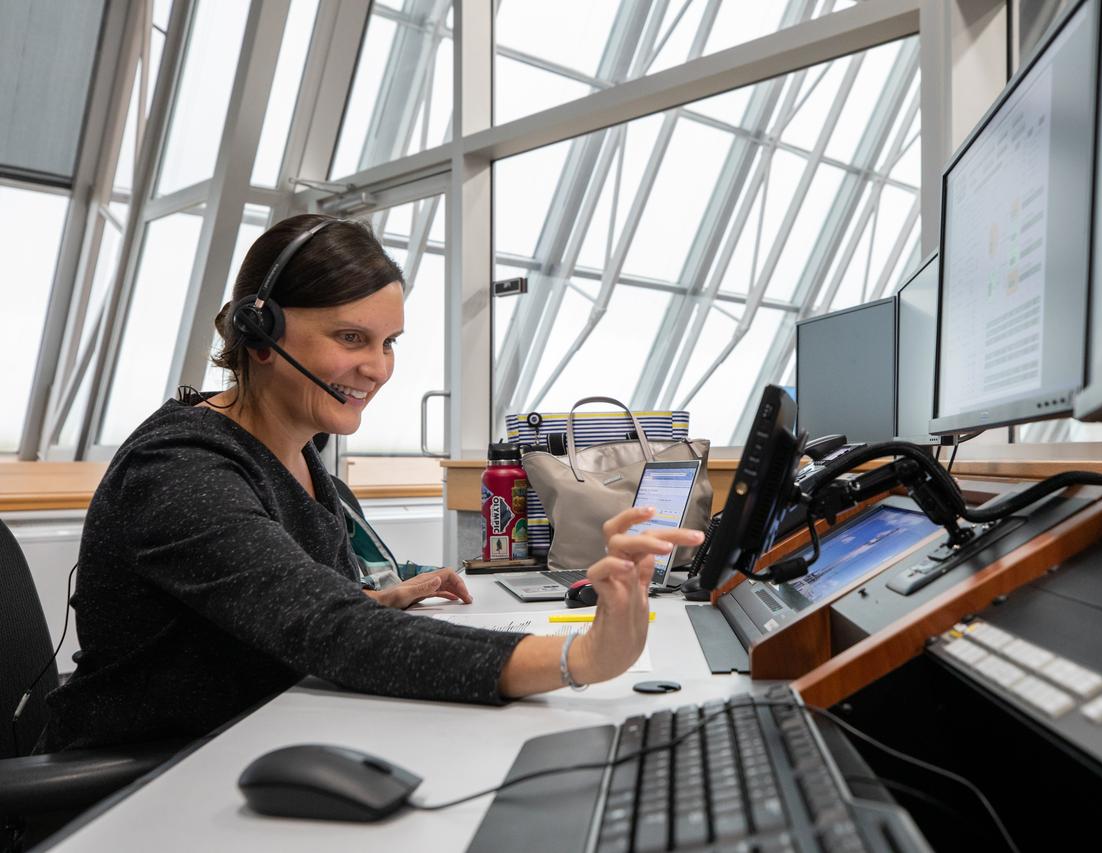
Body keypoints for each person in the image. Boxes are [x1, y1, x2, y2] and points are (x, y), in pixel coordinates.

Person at [41, 215, 702, 751]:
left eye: (389, 342)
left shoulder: (298, 450)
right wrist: (579, 656)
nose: (378, 368)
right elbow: (329, 633)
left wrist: (375, 598)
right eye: (351, 337)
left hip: (256, 738)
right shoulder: (182, 472)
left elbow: (278, 612)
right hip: (154, 780)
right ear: (260, 331)